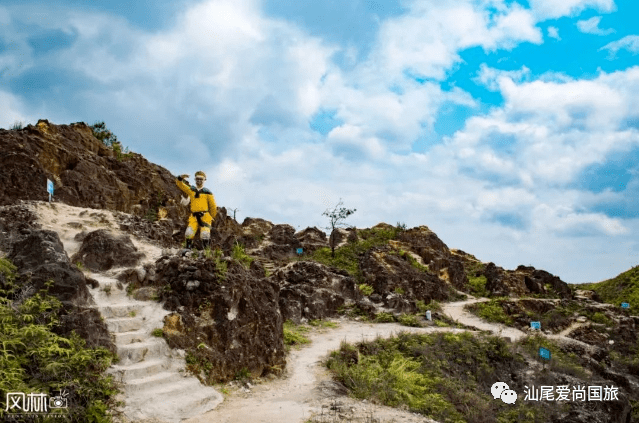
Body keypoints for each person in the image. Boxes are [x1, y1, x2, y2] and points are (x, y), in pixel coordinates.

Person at [176, 171, 217, 250]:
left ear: (204, 180)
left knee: (205, 234)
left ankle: (206, 251)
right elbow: (180, 184)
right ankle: (188, 249)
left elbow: (213, 206)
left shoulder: (208, 193)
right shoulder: (192, 190)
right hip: (194, 216)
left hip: (205, 216)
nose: (199, 181)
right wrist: (181, 177)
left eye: (201, 179)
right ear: (195, 180)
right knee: (188, 233)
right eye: (197, 179)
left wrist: (211, 216)